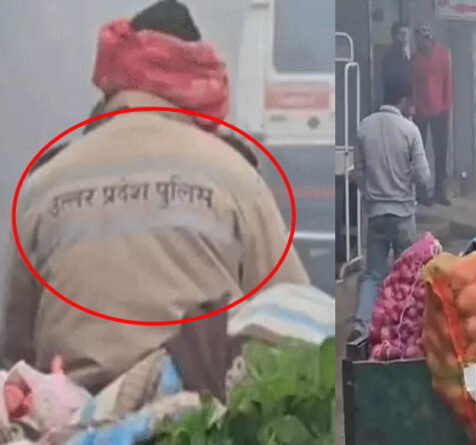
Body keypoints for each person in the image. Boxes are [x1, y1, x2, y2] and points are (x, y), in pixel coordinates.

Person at [0, 0, 308, 394]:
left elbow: (15, 351)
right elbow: (295, 325)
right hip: (202, 422)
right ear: (199, 80)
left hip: (71, 421)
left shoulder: (44, 183)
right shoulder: (235, 178)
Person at [349, 77, 431, 340]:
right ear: (404, 100)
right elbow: (424, 177)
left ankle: (360, 328)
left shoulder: (364, 127)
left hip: (375, 214)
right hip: (403, 214)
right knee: (406, 275)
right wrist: (415, 186)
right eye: (413, 102)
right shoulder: (410, 130)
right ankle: (404, 332)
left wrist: (372, 192)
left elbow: (357, 172)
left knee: (373, 275)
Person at [411, 24, 452, 206]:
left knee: (440, 152)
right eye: (419, 39)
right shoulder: (415, 59)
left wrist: (447, 105)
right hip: (420, 110)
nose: (422, 42)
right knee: (419, 152)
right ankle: (422, 192)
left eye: (424, 39)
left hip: (440, 109)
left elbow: (448, 81)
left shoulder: (442, 54)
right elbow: (412, 86)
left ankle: (440, 191)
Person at [381, 21, 412, 102]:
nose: (405, 36)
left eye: (407, 33)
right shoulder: (390, 56)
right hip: (396, 101)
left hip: (412, 101)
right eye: (401, 33)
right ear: (394, 36)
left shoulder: (414, 54)